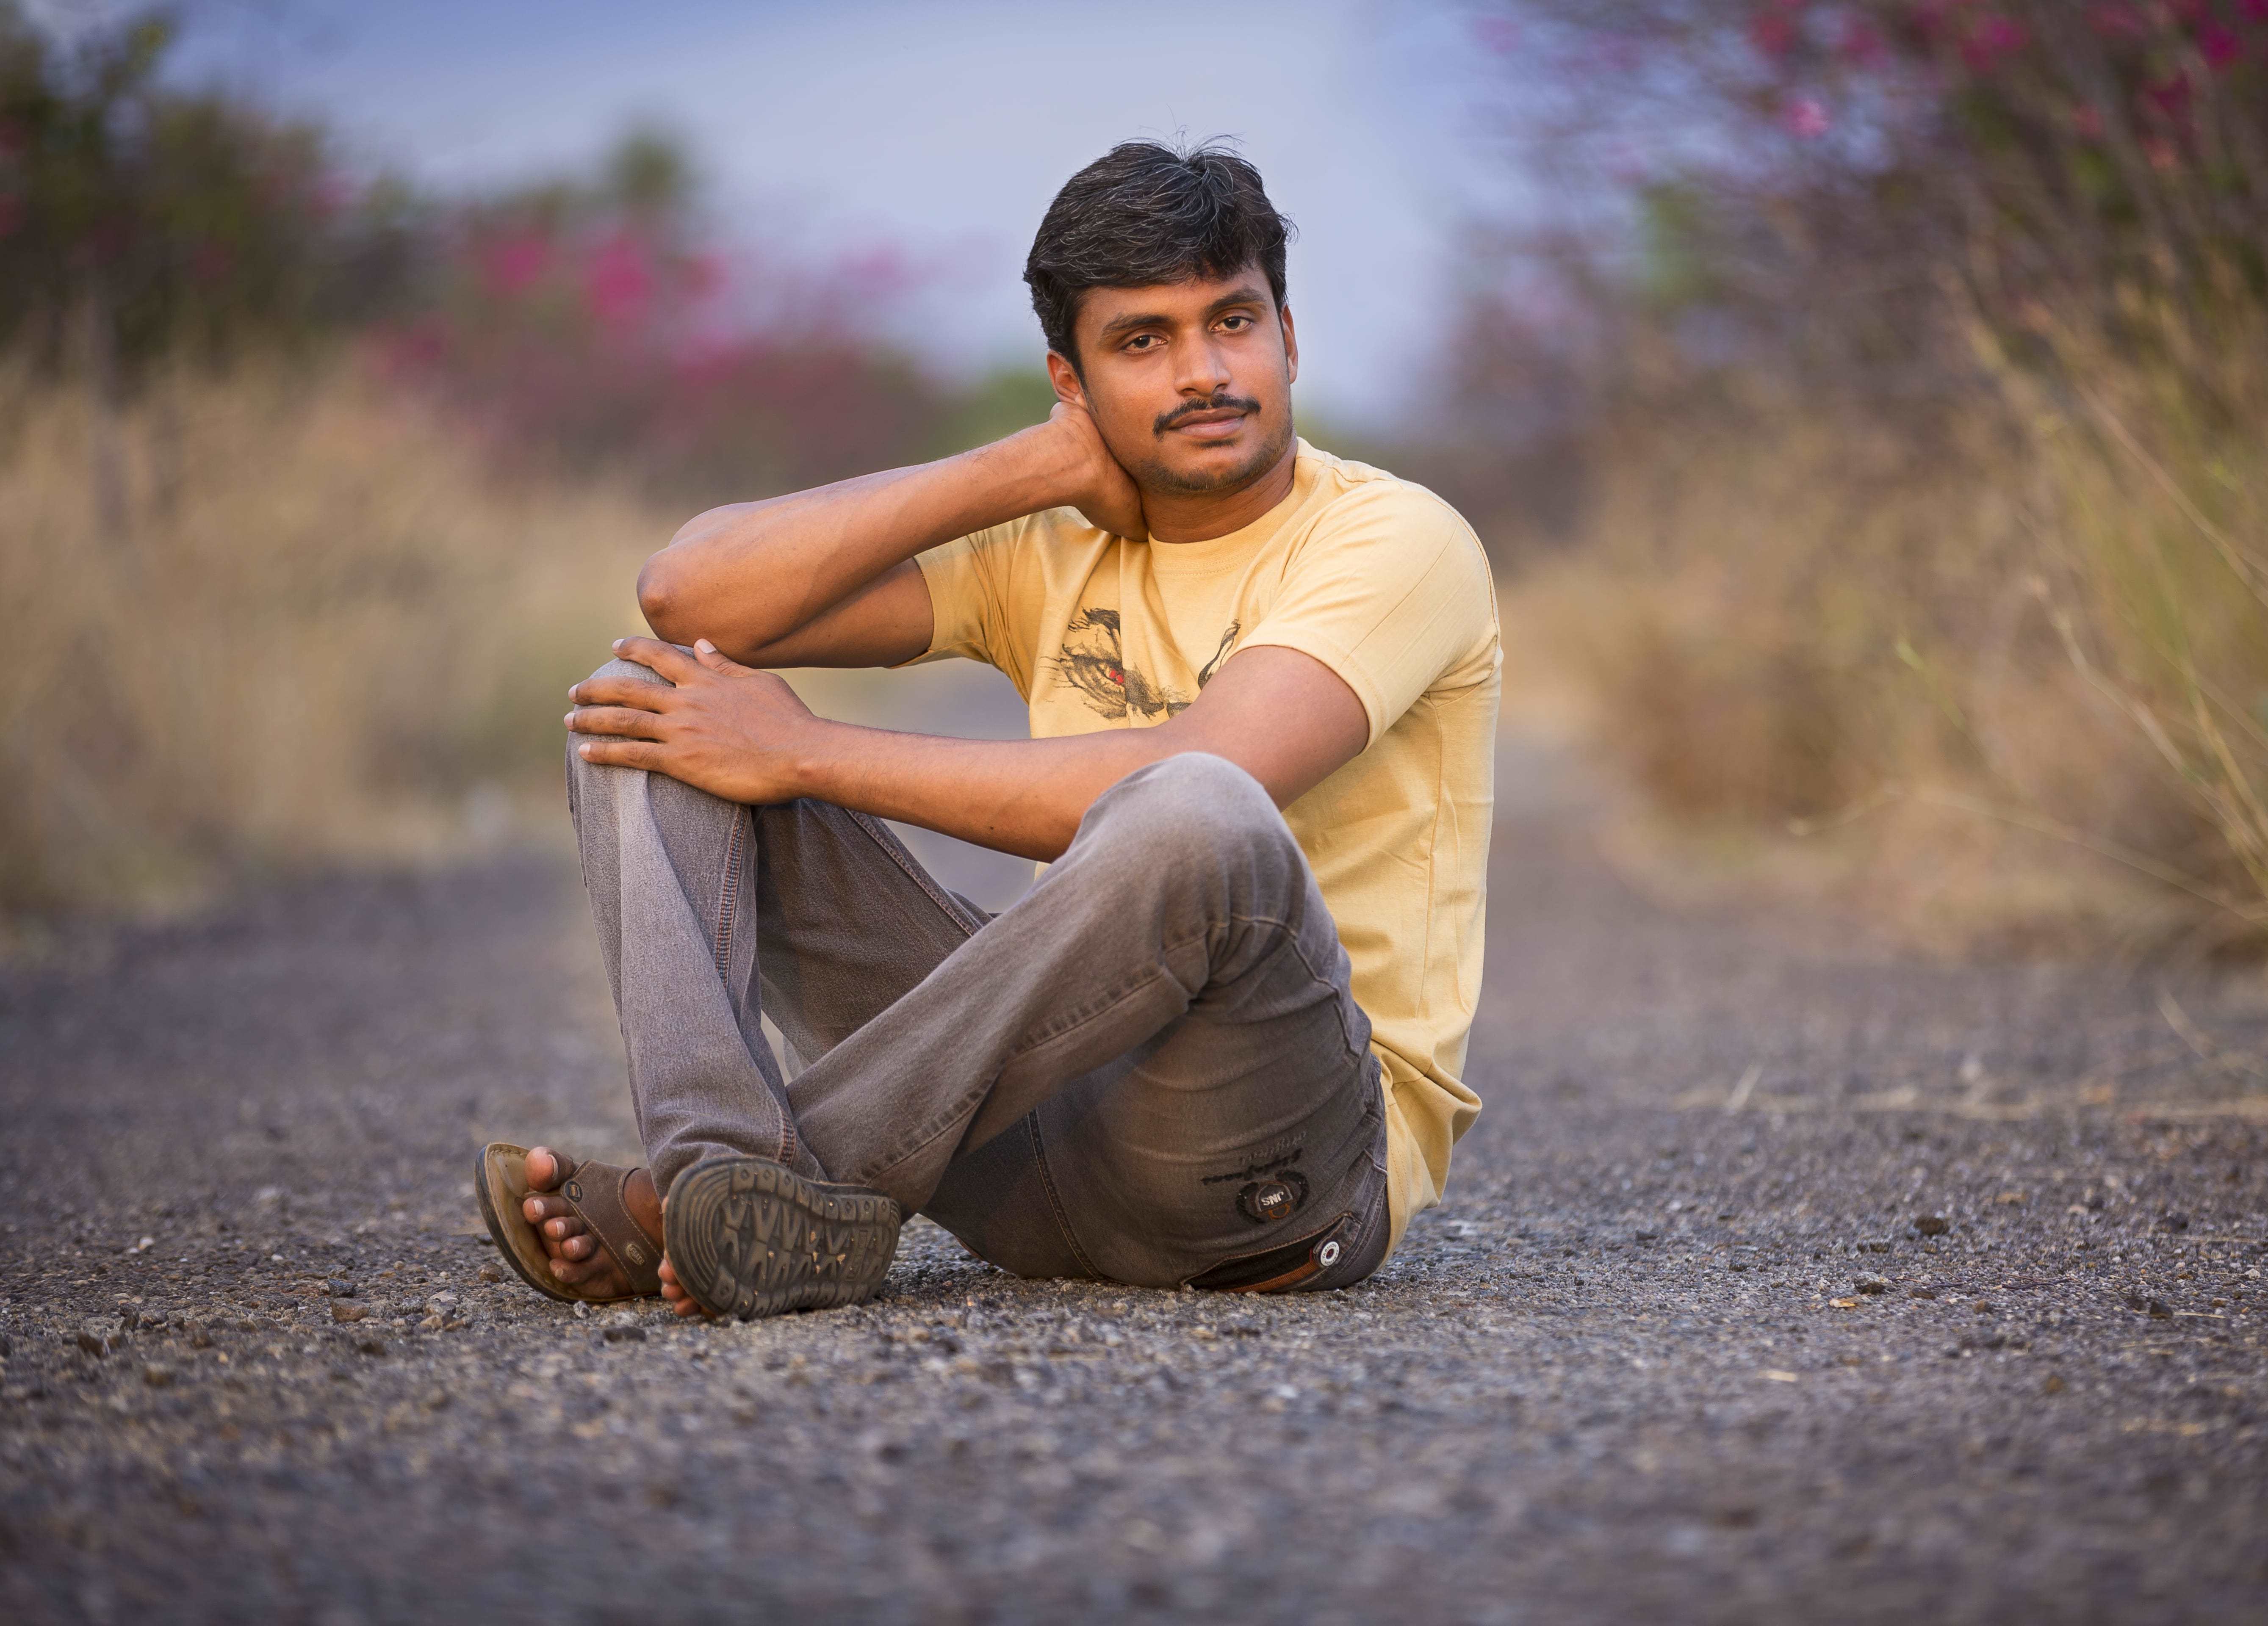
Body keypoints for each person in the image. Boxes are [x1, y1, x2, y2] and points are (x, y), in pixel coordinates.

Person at [472, 139, 1501, 1319]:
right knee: (646, 703)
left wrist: (802, 752)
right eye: (1143, 342)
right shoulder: (1049, 544)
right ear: (1073, 381)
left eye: (1233, 322)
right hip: (1030, 1143)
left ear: (1289, 338)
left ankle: (715, 1196)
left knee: (1198, 807)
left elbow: (1210, 772)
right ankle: (725, 1181)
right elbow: (689, 595)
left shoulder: (1396, 539)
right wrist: (1027, 467)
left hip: (1269, 1166)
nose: (1206, 373)